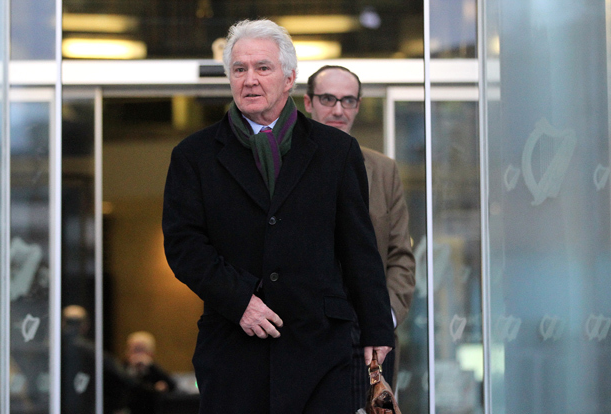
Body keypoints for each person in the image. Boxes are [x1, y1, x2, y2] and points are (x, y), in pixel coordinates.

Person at [162, 19, 395, 414]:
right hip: (234, 351)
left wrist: (376, 326)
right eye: (239, 69)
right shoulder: (193, 156)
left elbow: (359, 246)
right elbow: (184, 245)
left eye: (262, 68)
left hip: (320, 349)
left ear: (289, 78)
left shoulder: (337, 151)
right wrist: (239, 300)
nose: (249, 80)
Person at [304, 65, 416, 411]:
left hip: (370, 338)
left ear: (358, 105)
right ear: (308, 103)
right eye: (328, 99)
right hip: (307, 334)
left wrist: (383, 319)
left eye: (348, 100)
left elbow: (400, 255)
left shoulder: (382, 170)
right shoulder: (285, 166)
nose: (338, 109)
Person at [124, 331, 177, 414]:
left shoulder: (154, 371)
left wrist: (151, 366)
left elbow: (172, 385)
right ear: (128, 352)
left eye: (142, 351)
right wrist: (154, 389)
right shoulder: (122, 369)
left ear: (151, 354)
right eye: (135, 350)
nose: (138, 356)